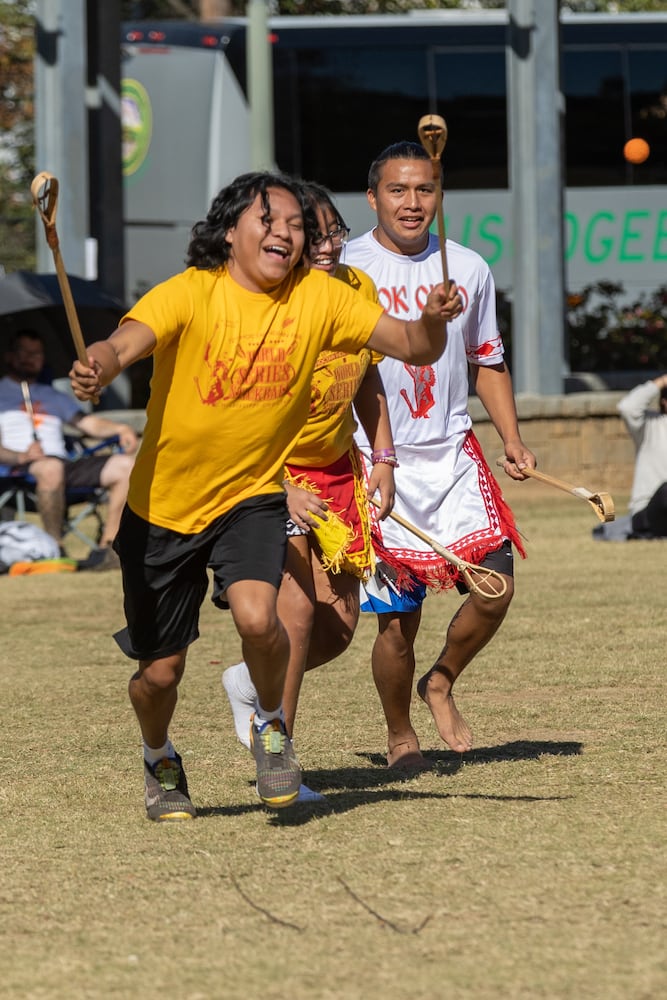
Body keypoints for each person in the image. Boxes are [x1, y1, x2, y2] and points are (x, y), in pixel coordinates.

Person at [68, 170, 461, 822]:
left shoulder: (319, 297)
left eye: (296, 226)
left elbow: (413, 347)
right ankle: (158, 753)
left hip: (252, 494)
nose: (286, 233)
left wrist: (431, 318)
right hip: (161, 509)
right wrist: (100, 364)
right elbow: (125, 342)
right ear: (230, 232)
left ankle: (273, 727)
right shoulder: (191, 293)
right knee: (158, 675)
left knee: (261, 616)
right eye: (268, 220)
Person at [343, 141, 536, 768]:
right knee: (397, 622)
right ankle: (400, 735)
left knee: (496, 586)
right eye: (397, 190)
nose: (412, 202)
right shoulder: (344, 268)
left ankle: (442, 681)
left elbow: (488, 361)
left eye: (424, 190)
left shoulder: (470, 268)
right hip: (376, 459)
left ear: (440, 197)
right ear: (372, 197)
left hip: (452, 450)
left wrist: (510, 437)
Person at [221, 181, 402, 802]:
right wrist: (278, 486)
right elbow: (236, 404)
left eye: (331, 232)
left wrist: (384, 455)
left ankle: (252, 682)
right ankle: (279, 759)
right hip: (272, 471)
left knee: (339, 626)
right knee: (295, 615)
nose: (323, 245)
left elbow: (370, 377)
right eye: (309, 232)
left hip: (337, 470)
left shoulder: (356, 291)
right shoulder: (272, 300)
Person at [0, 328, 138, 568]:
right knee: (50, 468)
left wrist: (120, 429)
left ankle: (109, 547)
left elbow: (87, 423)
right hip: (18, 471)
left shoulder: (52, 395)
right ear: (10, 356)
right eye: (25, 352)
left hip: (64, 464)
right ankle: (54, 548)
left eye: (37, 354)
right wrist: (20, 455)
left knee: (125, 465)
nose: (30, 358)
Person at [617, 374, 667, 538]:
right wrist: (661, 382)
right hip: (647, 514)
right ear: (664, 402)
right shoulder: (651, 424)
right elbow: (628, 407)